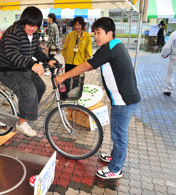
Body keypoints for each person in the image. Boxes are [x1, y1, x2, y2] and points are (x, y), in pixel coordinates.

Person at [55, 17, 141, 179]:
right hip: (123, 99)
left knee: (119, 135)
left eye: (99, 33)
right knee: (117, 132)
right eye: (95, 33)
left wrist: (63, 77)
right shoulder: (115, 45)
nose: (96, 36)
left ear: (110, 33)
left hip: (124, 101)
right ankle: (114, 158)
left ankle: (115, 169)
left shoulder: (110, 48)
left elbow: (86, 65)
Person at [0, 6, 56, 137]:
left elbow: (36, 51)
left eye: (35, 25)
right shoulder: (13, 32)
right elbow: (12, 54)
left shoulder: (34, 34)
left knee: (41, 87)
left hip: (22, 68)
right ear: (24, 20)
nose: (32, 28)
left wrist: (47, 60)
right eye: (30, 24)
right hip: (8, 70)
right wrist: (32, 64)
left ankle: (27, 110)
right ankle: (21, 124)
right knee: (30, 93)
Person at [61, 16, 92, 99]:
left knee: (77, 82)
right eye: (75, 25)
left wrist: (84, 62)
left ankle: (75, 97)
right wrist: (66, 57)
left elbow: (88, 52)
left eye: (79, 25)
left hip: (79, 64)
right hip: (69, 62)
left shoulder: (86, 36)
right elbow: (64, 48)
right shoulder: (70, 35)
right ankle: (65, 96)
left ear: (82, 25)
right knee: (67, 79)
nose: (77, 27)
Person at [162, 31, 176, 96]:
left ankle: (169, 89)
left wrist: (163, 54)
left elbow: (167, 47)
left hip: (175, 57)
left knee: (171, 73)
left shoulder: (174, 34)